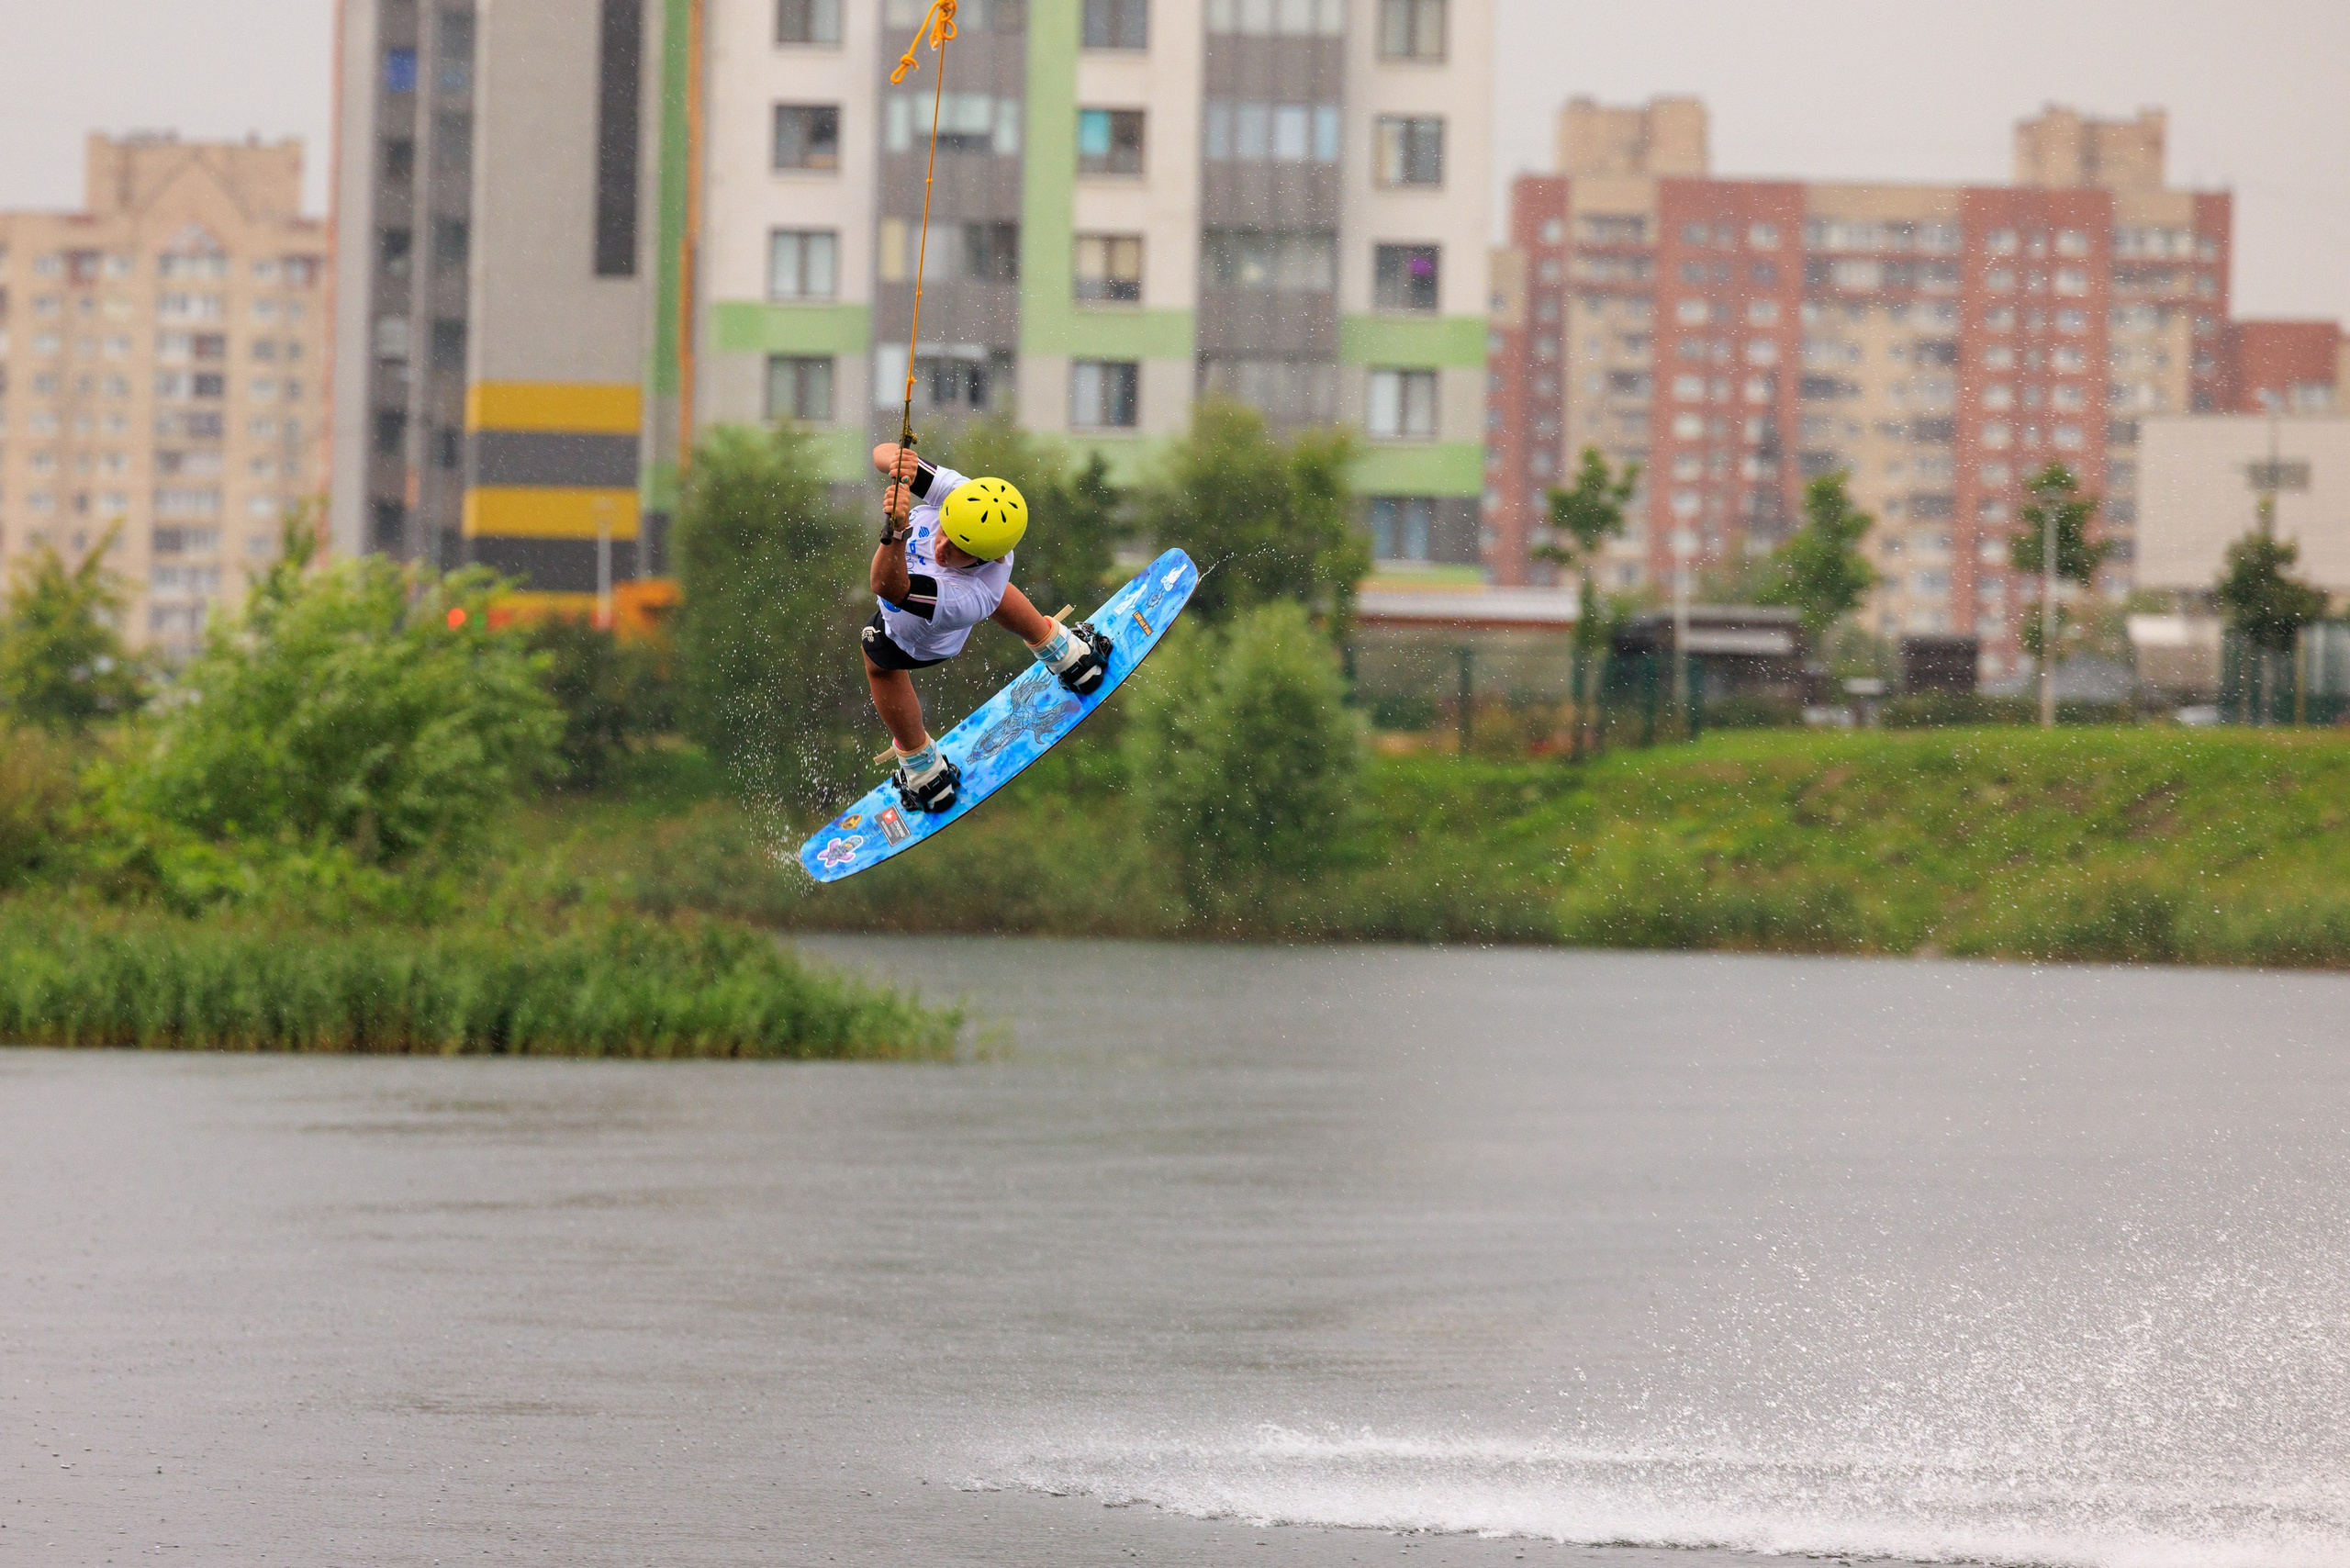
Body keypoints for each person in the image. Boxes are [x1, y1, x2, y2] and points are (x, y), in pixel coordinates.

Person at [863, 442, 1111, 812]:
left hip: (915, 638)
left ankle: (924, 771)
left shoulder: (968, 597)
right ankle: (1068, 656)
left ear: (987, 556)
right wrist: (900, 467)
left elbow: (887, 586)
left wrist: (896, 532)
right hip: (959, 588)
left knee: (879, 666)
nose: (941, 547)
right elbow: (881, 452)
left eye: (958, 549)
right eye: (946, 531)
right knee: (998, 592)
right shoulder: (968, 499)